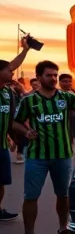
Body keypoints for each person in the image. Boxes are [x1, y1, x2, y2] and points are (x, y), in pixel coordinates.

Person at [10, 61, 75, 234]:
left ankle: (63, 231)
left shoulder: (65, 97)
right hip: (36, 156)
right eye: (49, 75)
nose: (54, 79)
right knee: (31, 196)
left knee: (63, 195)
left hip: (62, 155)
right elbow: (14, 123)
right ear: (39, 77)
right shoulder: (29, 100)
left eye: (55, 75)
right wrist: (26, 131)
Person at [0, 37, 32, 221]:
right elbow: (12, 64)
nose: (12, 72)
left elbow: (11, 119)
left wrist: (16, 136)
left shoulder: (7, 92)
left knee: (2, 180)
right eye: (8, 70)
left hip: (1, 144)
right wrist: (25, 51)